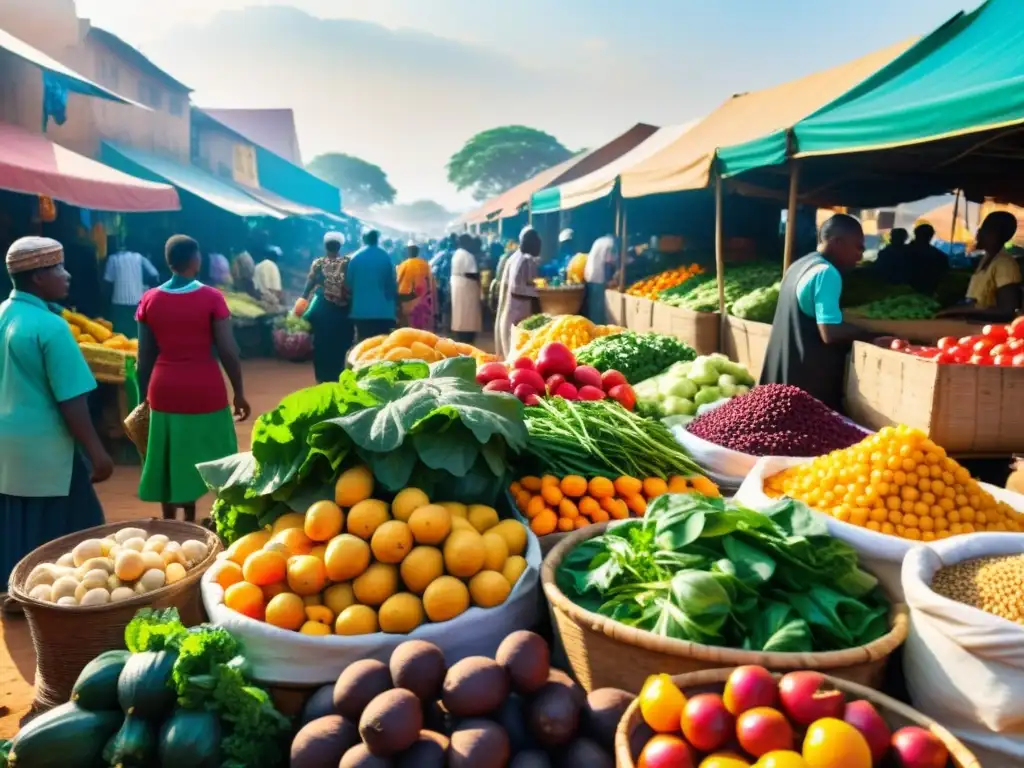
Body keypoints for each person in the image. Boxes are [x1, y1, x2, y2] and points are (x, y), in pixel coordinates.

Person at [0, 237, 112, 607]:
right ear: (37, 278)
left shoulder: (3, 314)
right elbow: (71, 399)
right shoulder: (50, 327)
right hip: (47, 446)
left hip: (8, 443)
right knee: (78, 530)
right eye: (58, 269)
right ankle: (48, 603)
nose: (67, 276)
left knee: (16, 517)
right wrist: (97, 453)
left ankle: (13, 588)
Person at [136, 235, 251, 522]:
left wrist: (142, 400)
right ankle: (205, 518)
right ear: (196, 260)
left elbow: (144, 358)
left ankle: (171, 521)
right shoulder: (212, 297)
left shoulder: (150, 299)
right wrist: (238, 391)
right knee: (215, 454)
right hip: (205, 388)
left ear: (169, 261)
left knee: (170, 453)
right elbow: (227, 350)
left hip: (163, 390)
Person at [760, 214, 893, 412]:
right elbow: (830, 333)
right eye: (858, 246)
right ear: (838, 242)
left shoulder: (798, 265)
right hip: (806, 389)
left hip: (780, 381)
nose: (861, 255)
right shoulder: (827, 273)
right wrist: (874, 336)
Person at [939, 211, 1022, 321]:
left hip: (987, 328)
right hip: (971, 322)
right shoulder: (987, 258)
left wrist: (958, 311)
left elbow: (1007, 310)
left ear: (995, 234)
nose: (978, 232)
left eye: (985, 228)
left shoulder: (1005, 264)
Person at [300, 232, 354, 384]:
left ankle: (322, 378)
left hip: (323, 309)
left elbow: (309, 285)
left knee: (321, 344)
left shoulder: (318, 263)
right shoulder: (347, 262)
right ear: (340, 246)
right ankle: (337, 377)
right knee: (340, 344)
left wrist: (303, 299)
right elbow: (351, 285)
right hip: (342, 311)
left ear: (325, 246)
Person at [496, 228, 542, 357]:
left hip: (517, 310)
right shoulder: (521, 260)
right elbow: (516, 289)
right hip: (516, 311)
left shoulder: (520, 258)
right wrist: (538, 294)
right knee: (514, 351)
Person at [347, 230, 398, 341]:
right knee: (381, 346)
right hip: (384, 313)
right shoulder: (386, 257)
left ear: (364, 239)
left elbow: (348, 285)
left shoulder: (355, 258)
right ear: (377, 240)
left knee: (363, 345)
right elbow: (393, 284)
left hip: (361, 312)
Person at [103, 243, 160, 338]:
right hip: (137, 302)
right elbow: (154, 274)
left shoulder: (113, 258)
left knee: (119, 336)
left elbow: (108, 281)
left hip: (118, 303)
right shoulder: (139, 257)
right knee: (135, 336)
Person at [450, 234, 483, 343]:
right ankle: (467, 339)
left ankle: (461, 337)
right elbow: (472, 273)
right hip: (467, 286)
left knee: (459, 314)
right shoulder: (468, 255)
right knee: (468, 315)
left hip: (457, 284)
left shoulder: (456, 254)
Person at [397, 243, 436, 331]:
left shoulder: (403, 264)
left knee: (408, 322)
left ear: (408, 252)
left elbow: (398, 280)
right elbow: (430, 279)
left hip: (407, 297)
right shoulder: (425, 264)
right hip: (423, 297)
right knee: (421, 321)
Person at [904, 224, 950, 295]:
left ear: (915, 234)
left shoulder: (903, 251)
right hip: (927, 292)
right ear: (931, 236)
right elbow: (944, 275)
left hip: (900, 291)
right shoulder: (939, 256)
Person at [584, 235, 616, 325]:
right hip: (598, 277)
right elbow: (608, 263)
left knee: (592, 306)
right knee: (598, 308)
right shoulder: (610, 243)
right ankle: (597, 327)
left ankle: (592, 325)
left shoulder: (600, 240)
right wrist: (609, 280)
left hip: (590, 275)